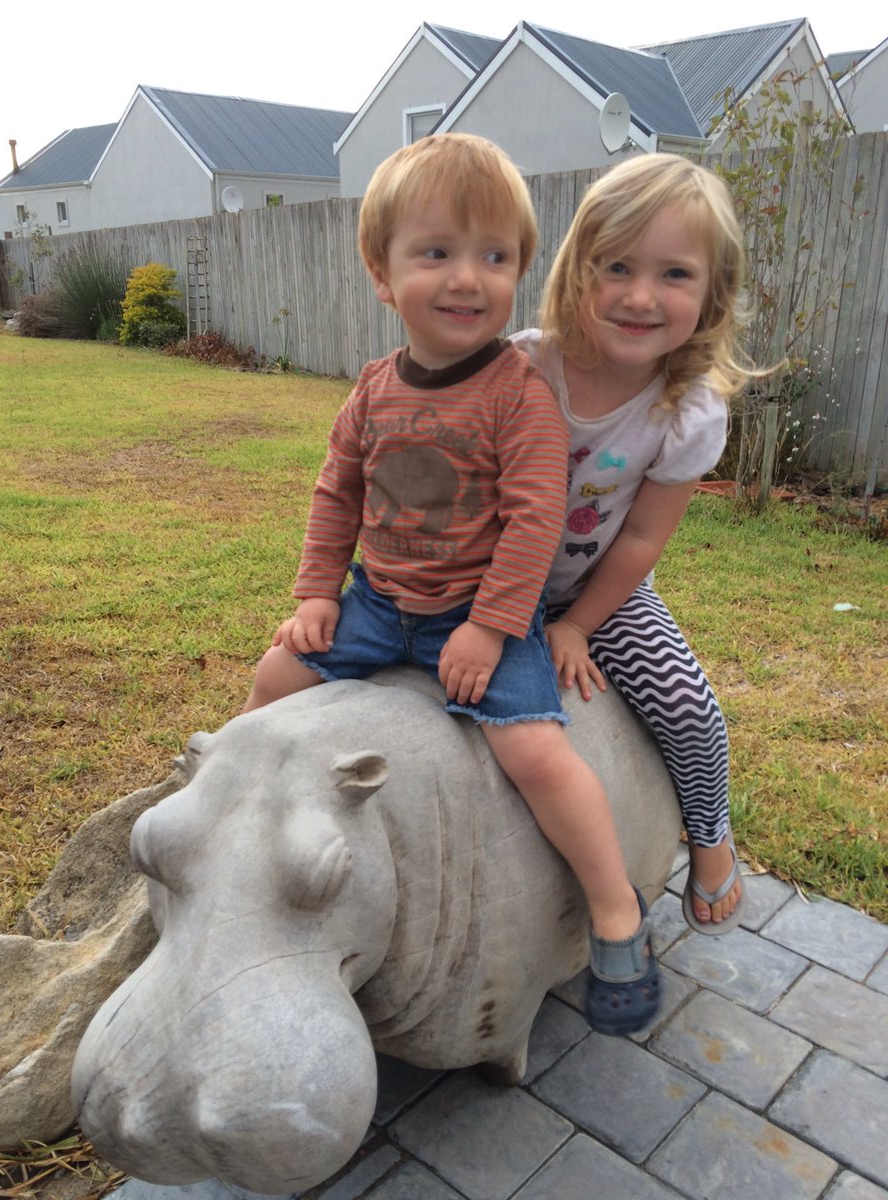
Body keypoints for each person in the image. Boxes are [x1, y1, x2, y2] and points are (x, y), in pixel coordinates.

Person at [244, 133, 660, 1035]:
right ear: (382, 271)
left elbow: (535, 519)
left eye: (494, 256)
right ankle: (245, 827)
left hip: (481, 617)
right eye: (437, 252)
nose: (468, 278)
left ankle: (614, 906)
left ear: (518, 270)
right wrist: (318, 594)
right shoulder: (371, 389)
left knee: (539, 753)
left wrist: (489, 626)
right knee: (274, 679)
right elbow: (337, 492)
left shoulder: (520, 395)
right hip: (379, 605)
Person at [512, 153, 757, 935]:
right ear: (578, 269)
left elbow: (643, 537)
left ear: (711, 295)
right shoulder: (524, 365)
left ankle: (711, 838)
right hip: (489, 584)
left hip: (603, 591)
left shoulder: (686, 412)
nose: (641, 296)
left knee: (687, 705)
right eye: (616, 265)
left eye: (675, 274)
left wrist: (579, 623)